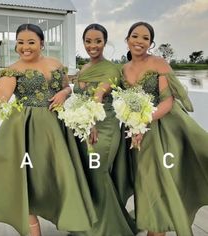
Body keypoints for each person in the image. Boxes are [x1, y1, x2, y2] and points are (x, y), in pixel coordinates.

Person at [0, 23, 97, 236]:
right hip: (26, 128)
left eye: (31, 42)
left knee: (56, 176)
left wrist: (64, 93)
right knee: (28, 178)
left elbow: (67, 86)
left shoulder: (55, 63)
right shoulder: (12, 70)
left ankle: (71, 218)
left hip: (57, 128)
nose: (25, 47)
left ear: (42, 43)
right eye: (20, 42)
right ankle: (32, 230)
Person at [120, 21, 208, 236]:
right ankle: (152, 223)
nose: (139, 41)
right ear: (127, 39)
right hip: (135, 131)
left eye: (145, 38)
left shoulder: (158, 63)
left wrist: (143, 123)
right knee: (146, 183)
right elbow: (122, 100)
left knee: (160, 182)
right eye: (135, 36)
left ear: (151, 43)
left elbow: (167, 102)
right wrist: (134, 124)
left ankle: (157, 229)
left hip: (164, 127)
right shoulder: (123, 69)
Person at [70, 23, 136, 236]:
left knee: (100, 174)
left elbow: (99, 95)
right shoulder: (84, 69)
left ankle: (108, 229)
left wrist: (92, 124)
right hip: (82, 129)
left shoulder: (111, 69)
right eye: (88, 41)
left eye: (97, 41)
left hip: (102, 129)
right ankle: (91, 224)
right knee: (89, 176)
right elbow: (77, 98)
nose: (92, 45)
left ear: (105, 43)